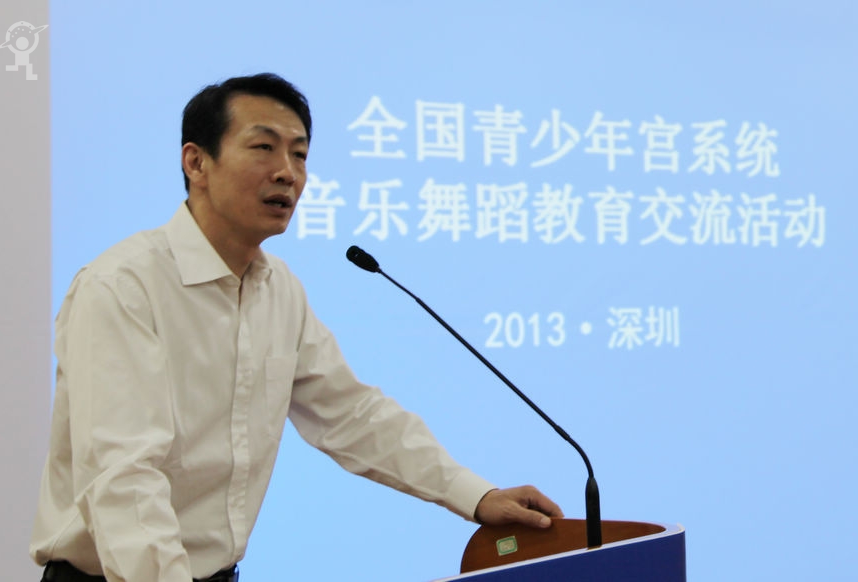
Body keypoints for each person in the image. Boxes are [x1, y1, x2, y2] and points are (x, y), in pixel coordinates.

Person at [30, 73, 563, 582]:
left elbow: (352, 416)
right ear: (196, 162)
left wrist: (475, 496)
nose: (287, 172)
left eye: (300, 154)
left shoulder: (278, 288)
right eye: (264, 148)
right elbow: (124, 479)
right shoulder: (122, 287)